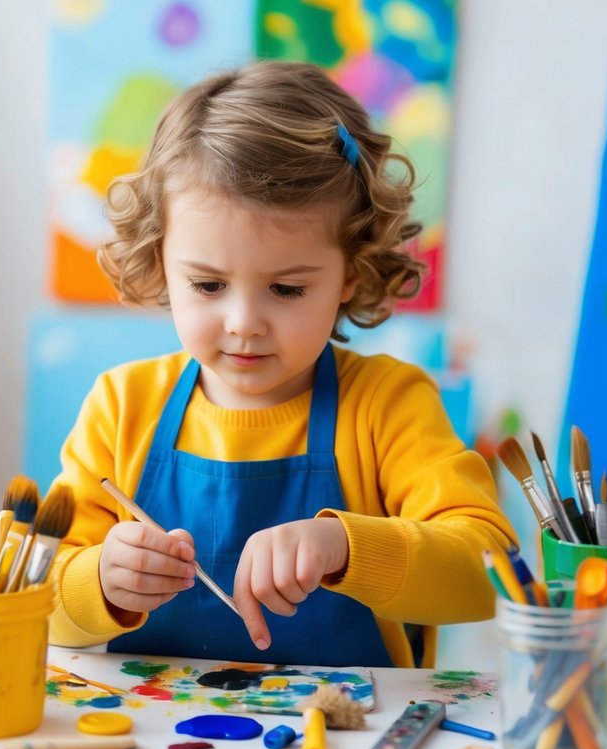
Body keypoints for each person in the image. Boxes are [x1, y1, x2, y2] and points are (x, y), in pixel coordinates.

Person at [47, 61, 515, 668]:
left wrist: (344, 547)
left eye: (287, 290)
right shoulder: (121, 406)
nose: (244, 321)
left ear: (350, 271)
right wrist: (101, 583)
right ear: (162, 262)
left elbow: (490, 571)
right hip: (157, 747)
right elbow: (31, 593)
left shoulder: (389, 403)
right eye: (209, 285)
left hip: (346, 739)